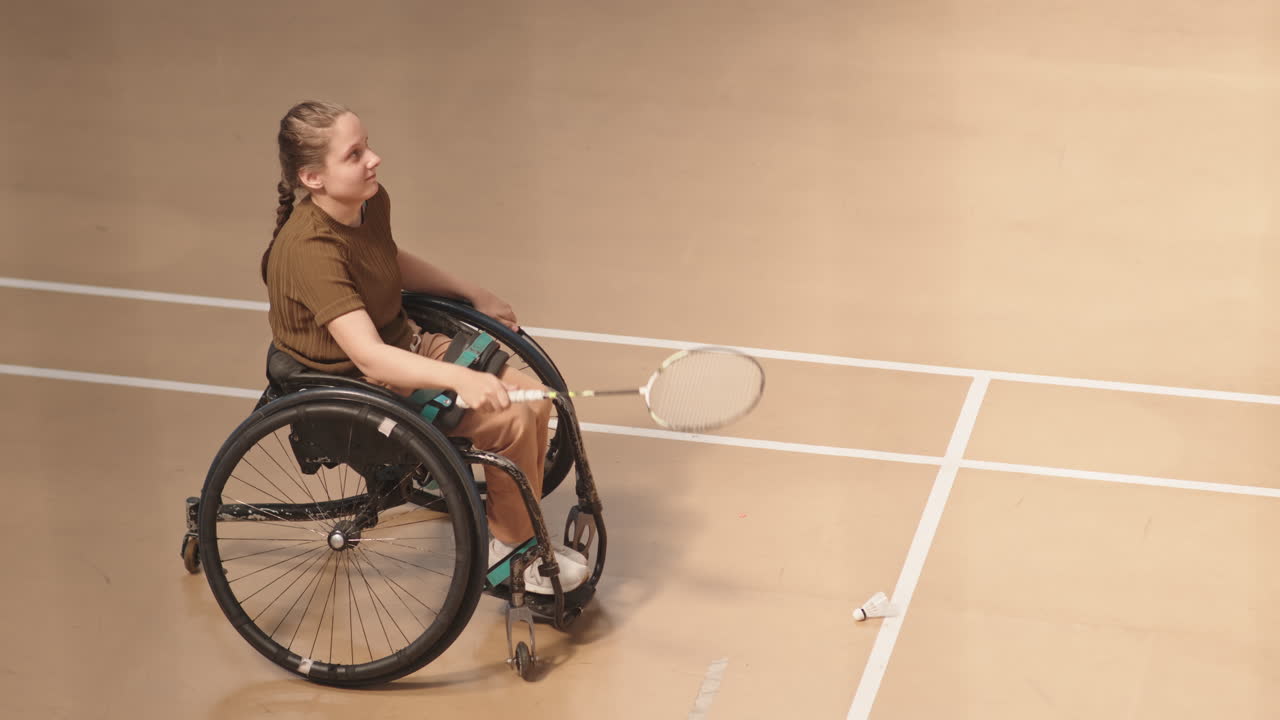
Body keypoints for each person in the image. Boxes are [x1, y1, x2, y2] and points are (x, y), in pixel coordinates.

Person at [261, 100, 586, 593]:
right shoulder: (310, 250)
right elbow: (368, 356)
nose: (374, 159)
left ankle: (518, 531)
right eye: (354, 155)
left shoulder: (368, 203)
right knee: (512, 421)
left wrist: (472, 292)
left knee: (537, 401)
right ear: (313, 179)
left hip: (406, 346)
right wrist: (462, 378)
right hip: (356, 379)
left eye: (366, 146)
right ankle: (511, 552)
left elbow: (386, 258)